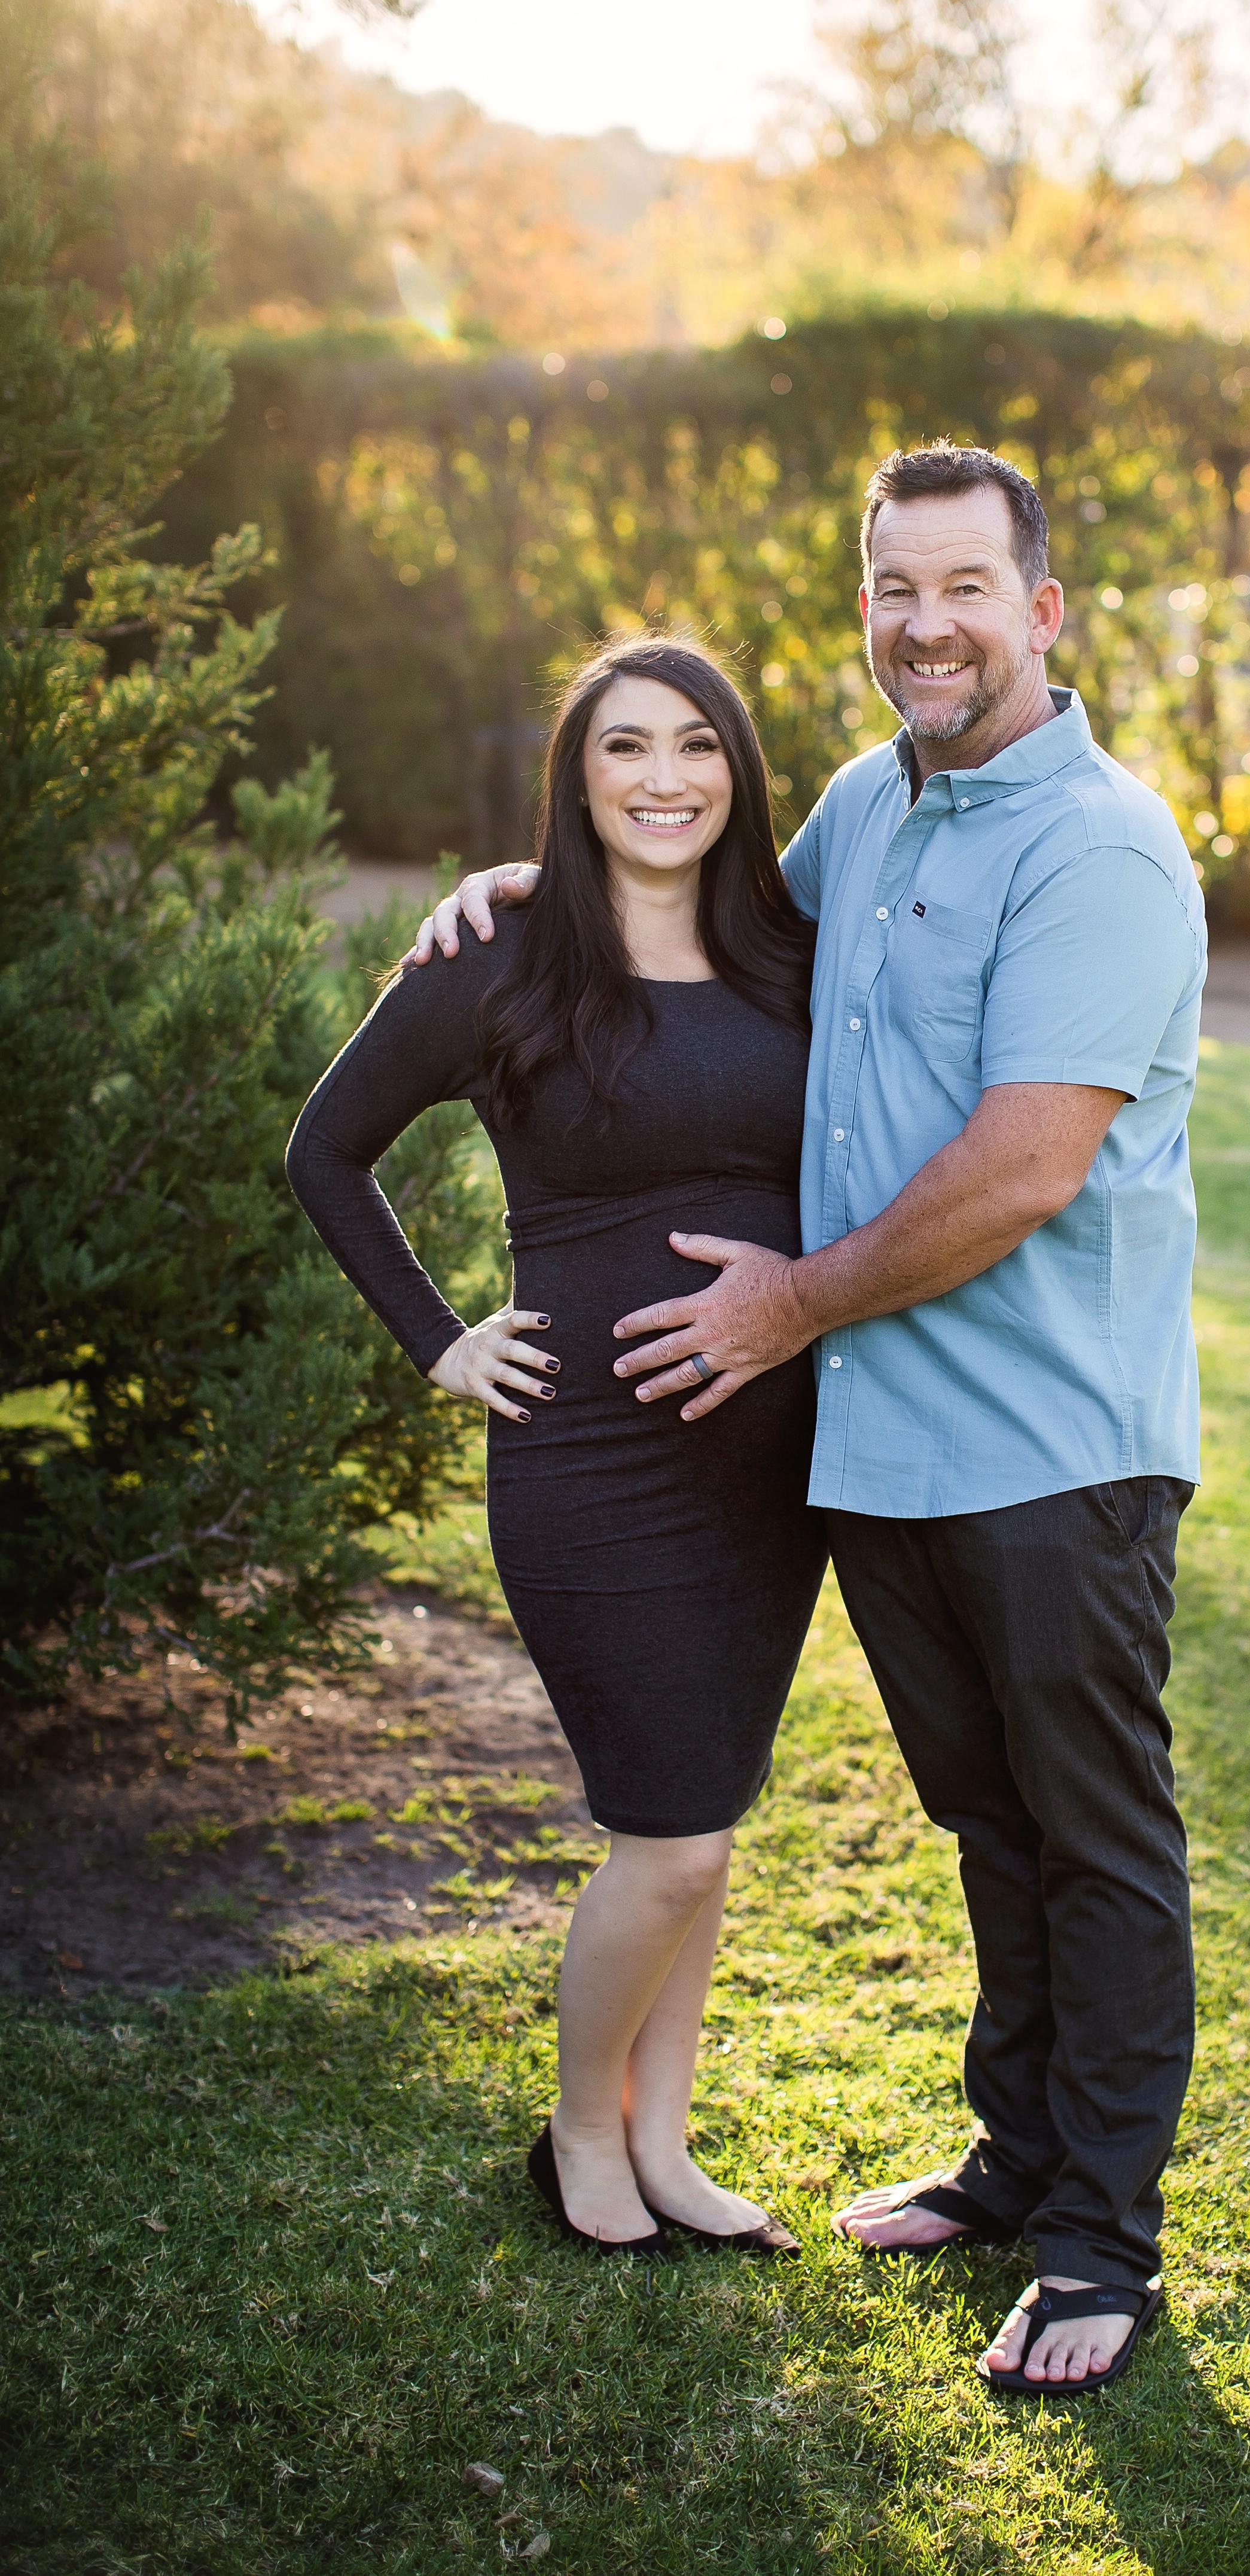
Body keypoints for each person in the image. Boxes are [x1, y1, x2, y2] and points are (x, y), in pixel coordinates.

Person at [416, 443, 1207, 2395]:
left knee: (1096, 1837)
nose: (925, 624)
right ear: (867, 609)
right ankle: (1015, 2159)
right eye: (891, 589)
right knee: (988, 1825)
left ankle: (1101, 2240)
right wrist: (535, 884)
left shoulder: (1095, 848)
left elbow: (1023, 1166)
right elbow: (693, 916)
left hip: (1055, 1449)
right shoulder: (868, 808)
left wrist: (787, 1300)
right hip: (882, 1450)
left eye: (965, 587)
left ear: (1044, 609)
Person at [288, 636, 827, 2257]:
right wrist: (441, 1338)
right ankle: (578, 2128)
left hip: (771, 1462)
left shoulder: (790, 952)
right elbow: (326, 1150)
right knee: (669, 1837)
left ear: (739, 772)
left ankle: (667, 2139)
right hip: (588, 1455)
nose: (665, 777)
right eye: (625, 749)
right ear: (576, 778)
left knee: (704, 1821)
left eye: (697, 747)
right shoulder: (502, 955)